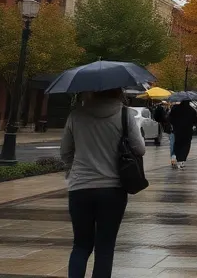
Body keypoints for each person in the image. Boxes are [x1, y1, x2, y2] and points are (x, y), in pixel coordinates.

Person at [60, 87, 145, 278]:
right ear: (117, 91)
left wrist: (74, 166)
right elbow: (139, 149)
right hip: (113, 189)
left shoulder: (76, 115)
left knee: (81, 245)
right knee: (105, 247)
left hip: (80, 187)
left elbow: (65, 151)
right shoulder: (125, 114)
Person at [169, 99, 197, 168]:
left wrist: (175, 124)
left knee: (177, 144)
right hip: (187, 131)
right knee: (186, 146)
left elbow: (170, 118)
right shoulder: (191, 110)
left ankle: (178, 158)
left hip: (177, 130)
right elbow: (195, 121)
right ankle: (182, 160)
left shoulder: (175, 108)